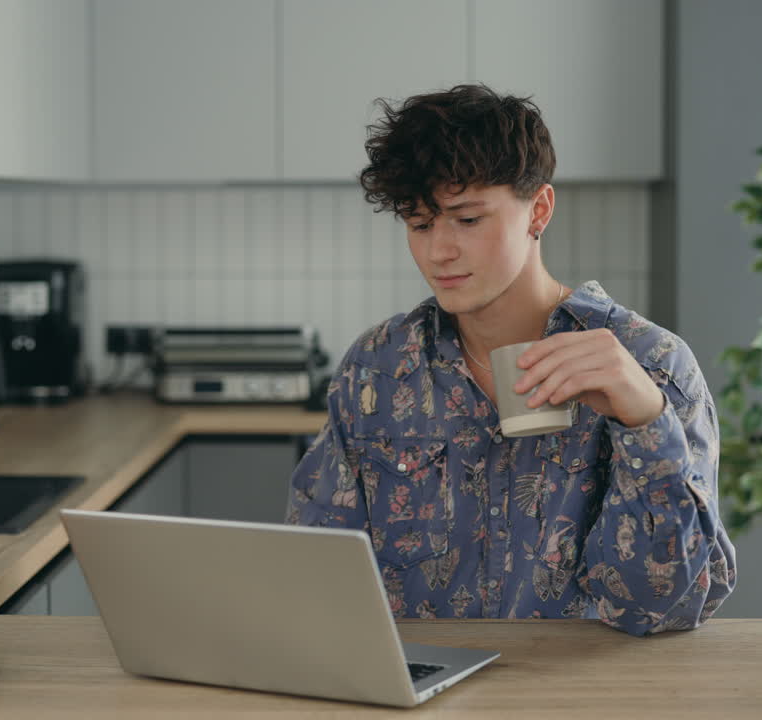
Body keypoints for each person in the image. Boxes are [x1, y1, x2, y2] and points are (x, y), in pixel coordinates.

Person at [285, 84, 737, 636]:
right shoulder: (378, 367)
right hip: (418, 694)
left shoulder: (653, 363)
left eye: (467, 220)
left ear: (538, 210)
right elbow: (317, 575)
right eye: (420, 224)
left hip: (581, 696)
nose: (438, 251)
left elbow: (661, 610)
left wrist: (644, 420)